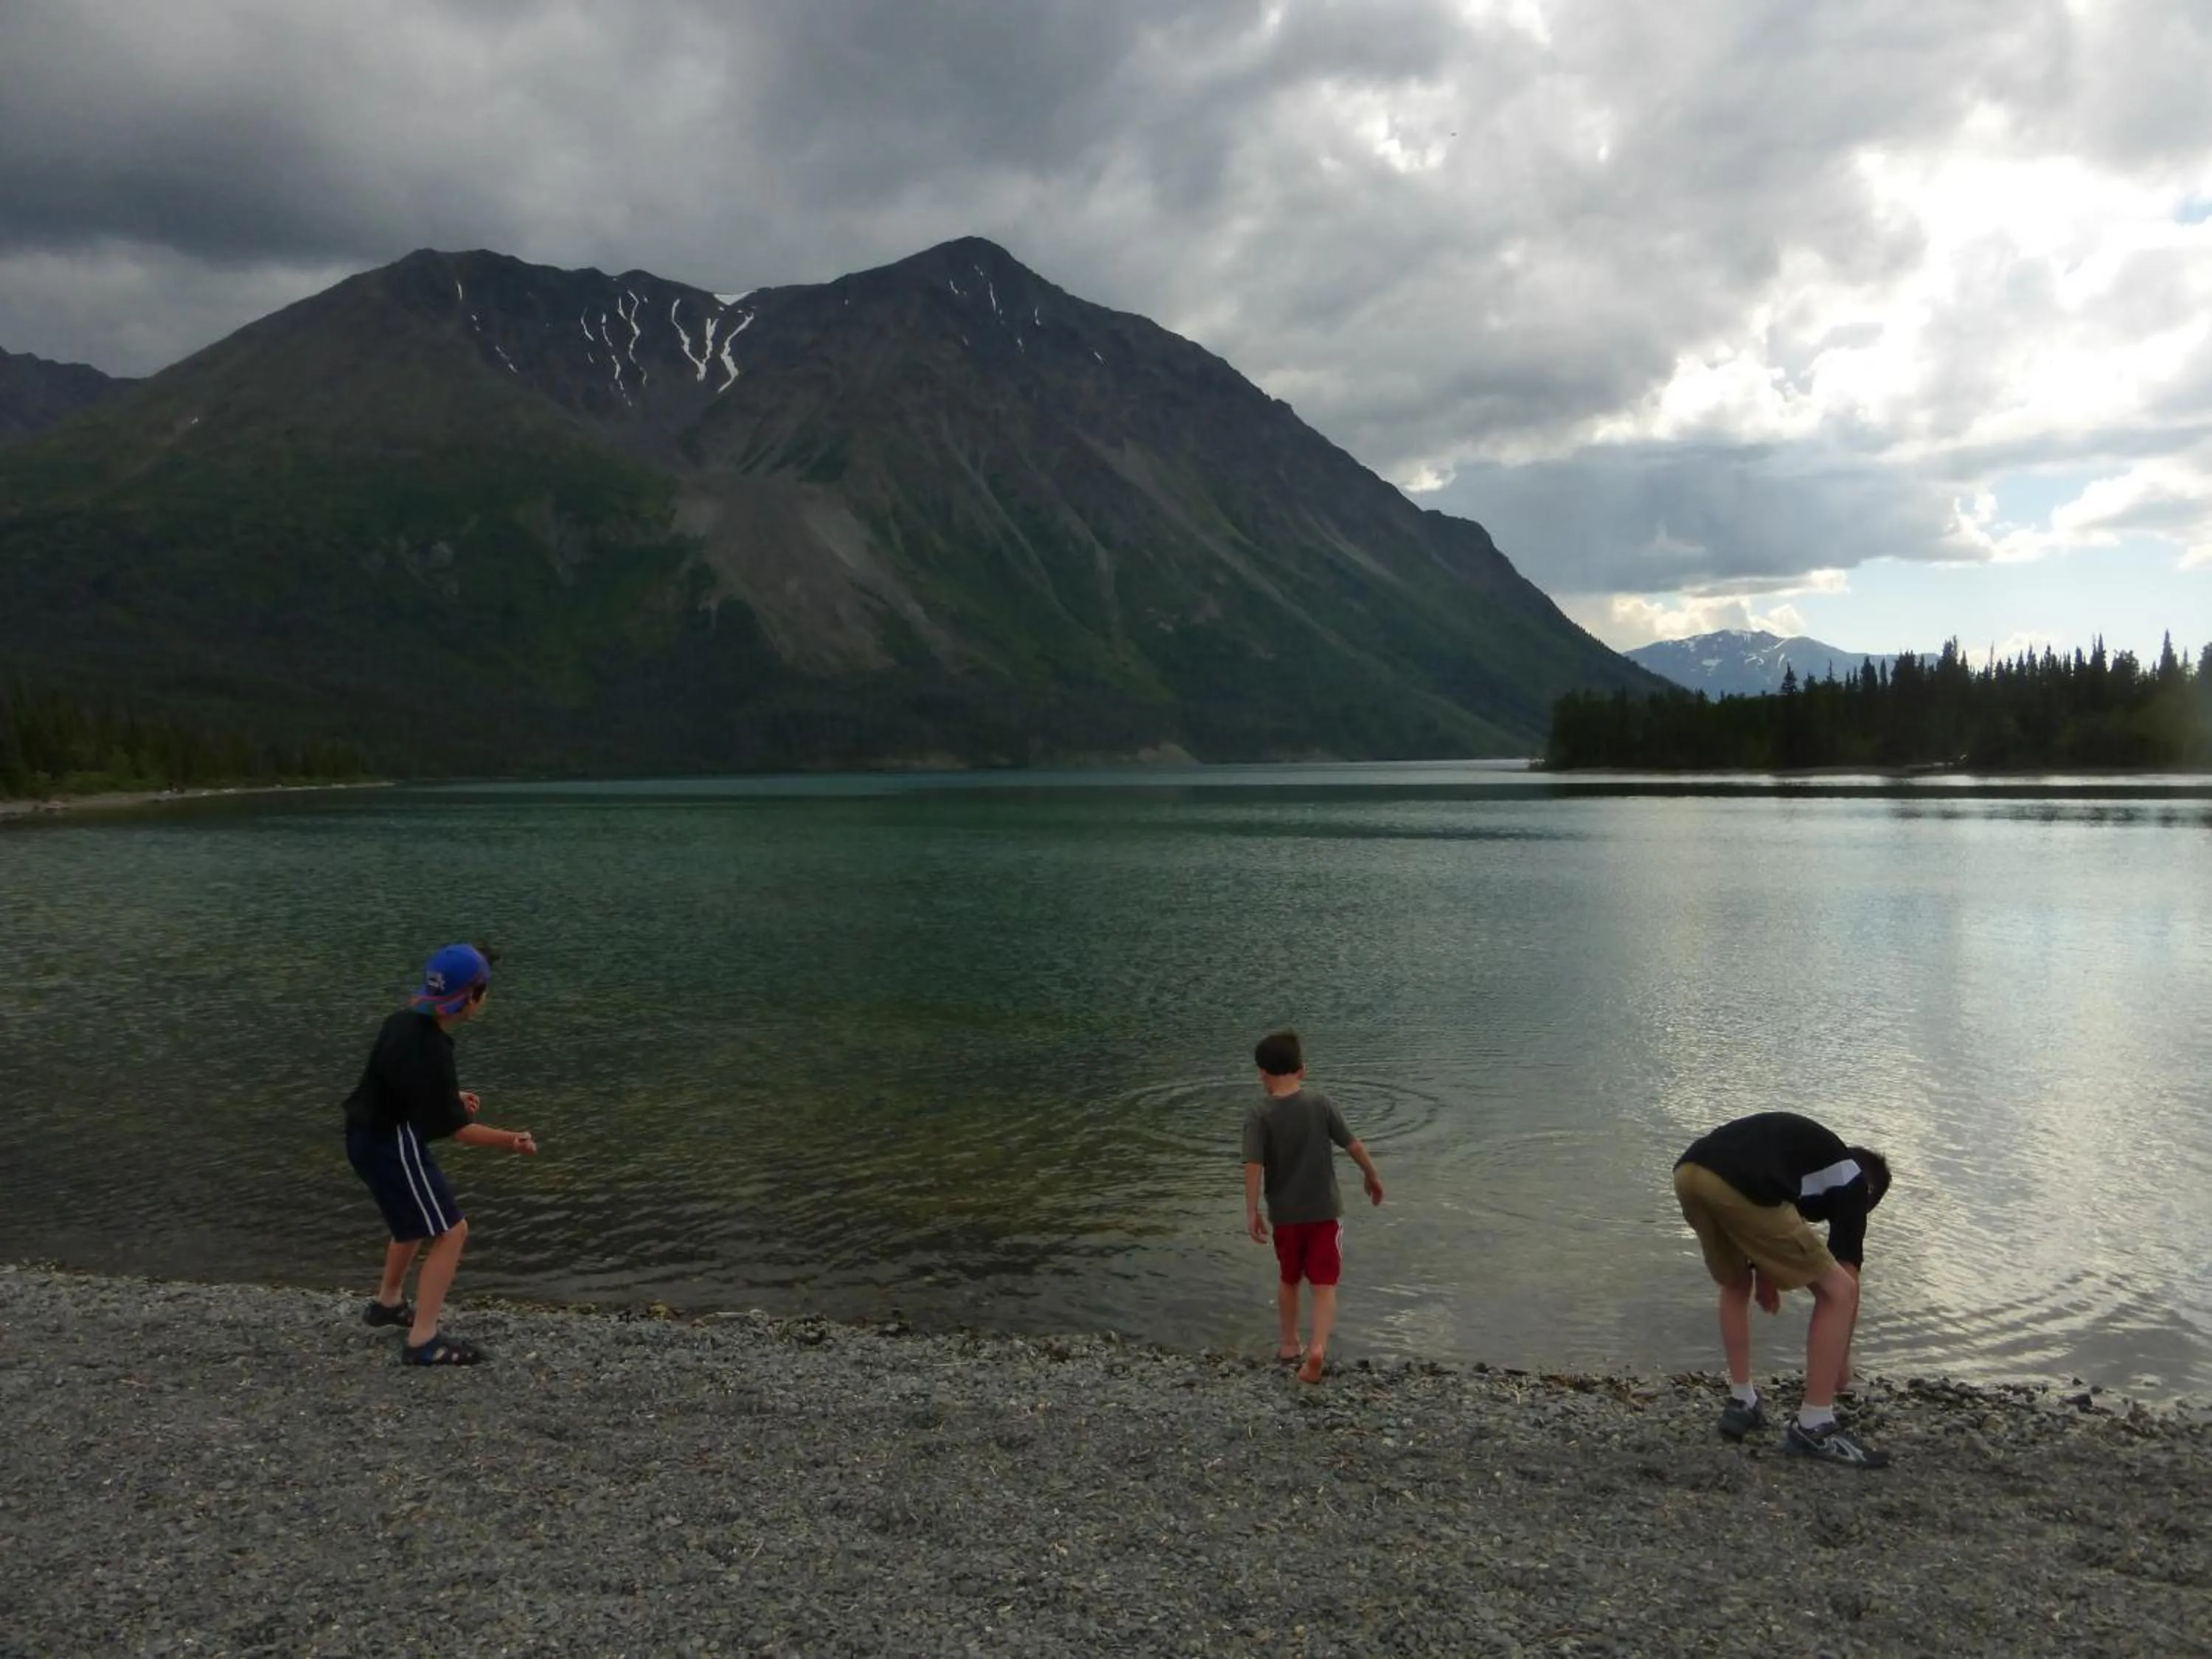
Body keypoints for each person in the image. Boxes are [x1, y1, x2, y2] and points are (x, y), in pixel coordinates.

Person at [344, 942, 538, 1366]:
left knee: (410, 1224)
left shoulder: (402, 1024)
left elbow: (402, 1084)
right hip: (391, 1144)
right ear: (472, 997)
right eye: (485, 989)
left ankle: (388, 1304)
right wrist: (512, 1140)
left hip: (363, 1135)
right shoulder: (433, 1048)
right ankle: (423, 1341)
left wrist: (448, 1097)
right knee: (452, 1231)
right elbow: (456, 1130)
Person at [1673, 1111, 1892, 1467]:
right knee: (1837, 1292)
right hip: (1740, 1183)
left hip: (1690, 1172)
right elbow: (1847, 1276)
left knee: (1734, 1282)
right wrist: (1842, 1360)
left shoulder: (1810, 1161)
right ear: (1870, 1193)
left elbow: (1769, 1214)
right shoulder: (1853, 1183)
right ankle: (1815, 1424)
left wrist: (1765, 1275)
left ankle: (1742, 1401)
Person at [1242, 1029, 1385, 1385]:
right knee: (1324, 1285)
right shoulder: (1321, 1104)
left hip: (1286, 1218)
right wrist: (1372, 1176)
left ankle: (1290, 1345)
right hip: (1324, 1214)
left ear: (1261, 1072)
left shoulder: (1259, 1114)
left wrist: (1251, 1210)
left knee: (1289, 1279)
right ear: (1302, 1071)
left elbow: (1253, 1165)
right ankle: (1318, 1348)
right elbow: (1353, 1144)